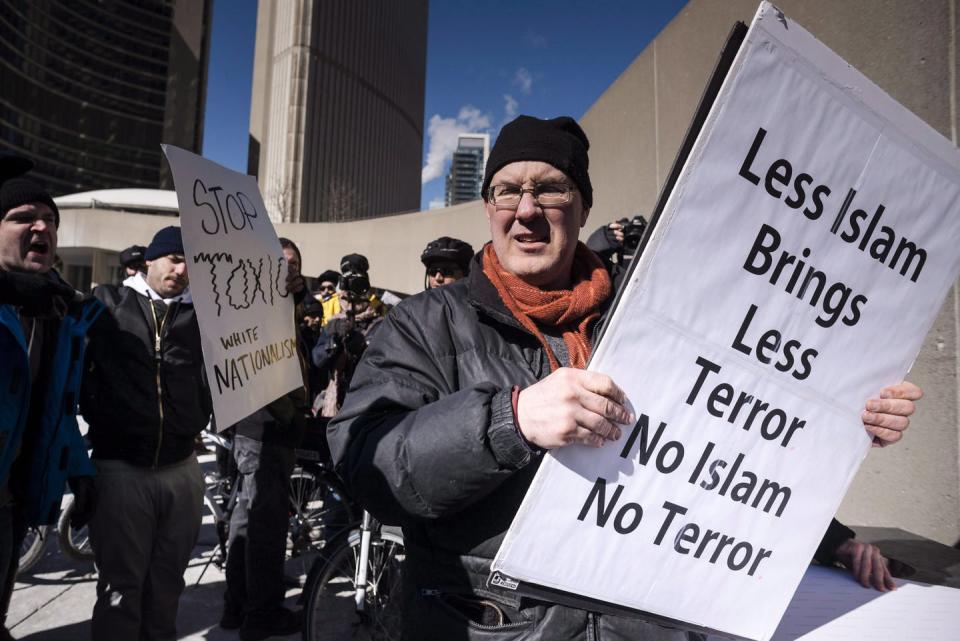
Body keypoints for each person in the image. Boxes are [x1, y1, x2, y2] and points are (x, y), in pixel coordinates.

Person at [327, 115, 922, 640]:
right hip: (488, 625)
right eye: (507, 191)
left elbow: (729, 453)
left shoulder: (658, 316)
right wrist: (509, 421)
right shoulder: (425, 324)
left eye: (550, 189)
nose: (526, 210)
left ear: (584, 207)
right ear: (489, 208)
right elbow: (367, 467)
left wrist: (834, 491)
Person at [81, 225, 212, 641]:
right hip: (121, 468)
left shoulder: (204, 315)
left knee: (169, 583)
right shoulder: (106, 304)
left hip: (182, 468)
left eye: (191, 261)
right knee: (121, 588)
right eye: (174, 258)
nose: (183, 269)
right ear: (149, 260)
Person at [0, 172, 100, 641]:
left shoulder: (61, 311)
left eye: (49, 220)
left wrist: (80, 474)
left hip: (16, 495)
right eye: (22, 218)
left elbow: (56, 410)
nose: (40, 228)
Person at [221, 237, 310, 641]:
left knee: (248, 520)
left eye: (294, 265)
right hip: (265, 430)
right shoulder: (255, 310)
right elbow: (267, 374)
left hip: (260, 430)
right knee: (266, 526)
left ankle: (237, 605)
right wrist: (292, 415)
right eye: (280, 264)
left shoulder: (280, 306)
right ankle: (261, 613)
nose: (288, 271)